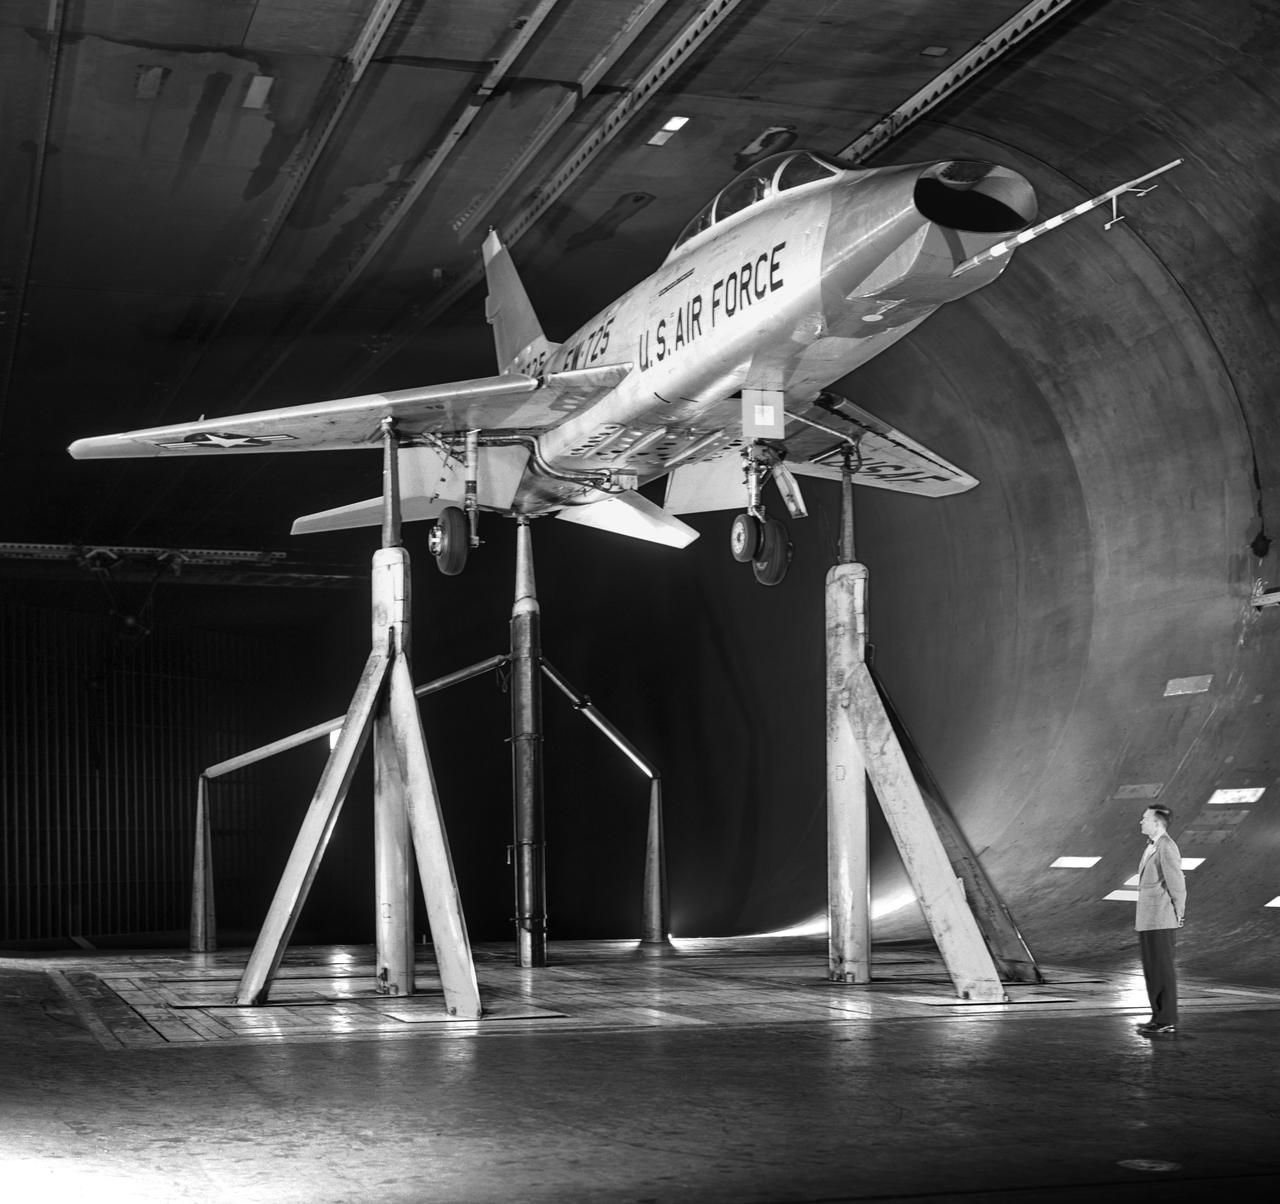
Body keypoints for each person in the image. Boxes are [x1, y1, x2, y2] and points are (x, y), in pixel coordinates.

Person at [1135, 805, 1186, 1034]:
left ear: (1157, 823)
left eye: (1145, 818)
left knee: (1162, 969)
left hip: (1162, 918)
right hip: (1148, 919)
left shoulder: (1166, 845)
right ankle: (1158, 1017)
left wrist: (1179, 913)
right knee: (1152, 969)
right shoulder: (1152, 845)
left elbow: (1176, 883)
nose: (1141, 822)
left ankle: (1167, 1019)